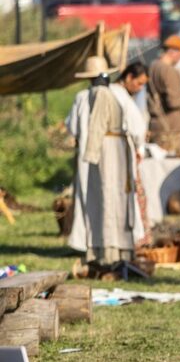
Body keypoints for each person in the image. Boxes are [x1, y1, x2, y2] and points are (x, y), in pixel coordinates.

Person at [81, 57, 147, 267]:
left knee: (109, 198)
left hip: (109, 151)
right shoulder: (108, 93)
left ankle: (112, 251)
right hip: (114, 147)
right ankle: (112, 249)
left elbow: (97, 125)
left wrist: (90, 155)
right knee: (112, 198)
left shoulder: (101, 93)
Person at [65, 58, 111, 253]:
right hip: (106, 154)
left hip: (87, 154)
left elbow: (73, 127)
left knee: (86, 195)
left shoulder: (82, 97)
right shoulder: (111, 95)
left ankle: (86, 241)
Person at [112, 62, 151, 247]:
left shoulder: (113, 94)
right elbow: (138, 129)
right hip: (122, 154)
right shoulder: (120, 97)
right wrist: (140, 148)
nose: (140, 88)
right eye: (139, 83)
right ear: (128, 77)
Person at [147, 34, 180, 155]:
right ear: (173, 52)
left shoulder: (153, 66)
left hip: (156, 124)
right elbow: (173, 102)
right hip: (172, 127)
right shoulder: (169, 71)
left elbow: (162, 95)